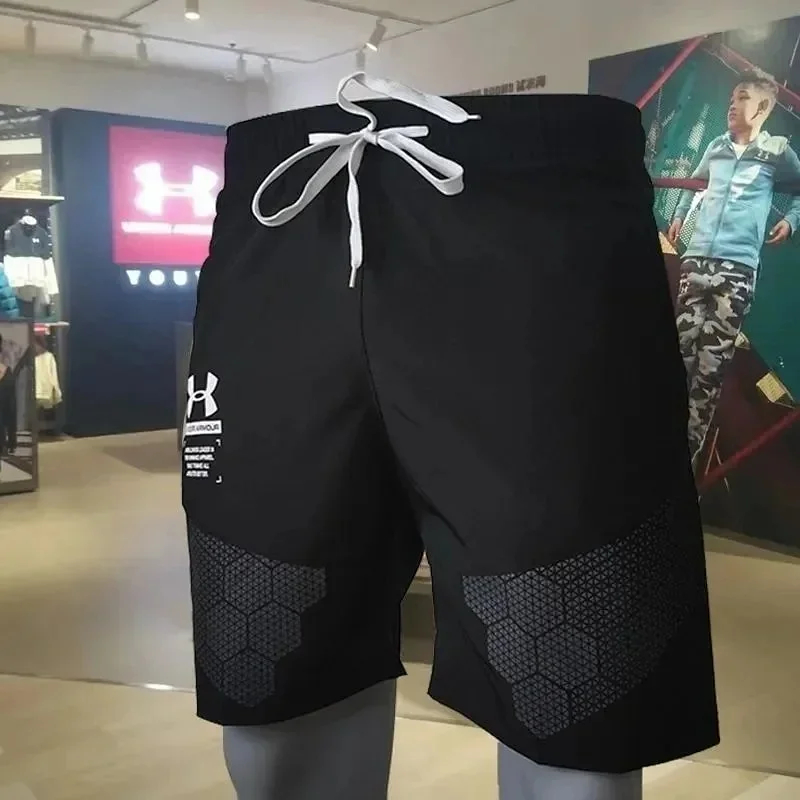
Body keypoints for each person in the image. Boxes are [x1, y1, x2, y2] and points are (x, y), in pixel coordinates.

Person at [667, 69, 800, 467]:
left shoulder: (777, 152)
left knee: (709, 370)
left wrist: (791, 220)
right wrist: (678, 215)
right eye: (730, 98)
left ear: (762, 108)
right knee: (678, 355)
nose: (731, 104)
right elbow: (695, 182)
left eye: (741, 98)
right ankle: (660, 444)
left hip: (736, 272)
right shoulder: (716, 146)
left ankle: (685, 462)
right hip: (697, 262)